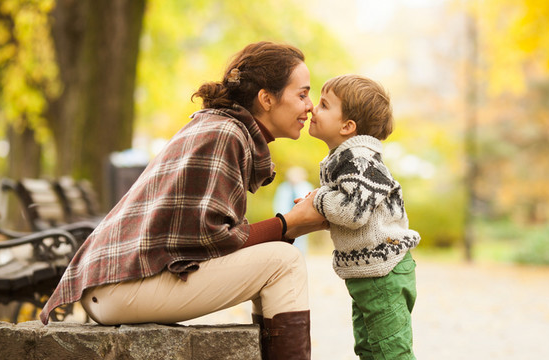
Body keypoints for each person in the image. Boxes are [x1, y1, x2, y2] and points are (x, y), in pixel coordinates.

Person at [39, 41, 328, 360]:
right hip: (122, 288)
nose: (310, 106)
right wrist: (290, 225)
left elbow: (206, 238)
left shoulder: (220, 126)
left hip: (114, 284)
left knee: (276, 261)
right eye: (302, 94)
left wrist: (288, 226)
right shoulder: (226, 134)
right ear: (267, 98)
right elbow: (211, 241)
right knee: (283, 262)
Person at [307, 74, 421, 359]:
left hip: (384, 274)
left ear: (347, 126)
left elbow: (353, 212)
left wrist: (318, 199)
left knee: (390, 352)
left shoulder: (360, 159)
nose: (312, 109)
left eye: (323, 105)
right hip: (368, 274)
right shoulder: (345, 158)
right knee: (369, 349)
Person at [273, 166, 314, 254]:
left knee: (301, 241)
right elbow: (279, 203)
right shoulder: (283, 188)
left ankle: (300, 256)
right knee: (286, 241)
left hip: (303, 218)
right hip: (287, 218)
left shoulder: (306, 186)